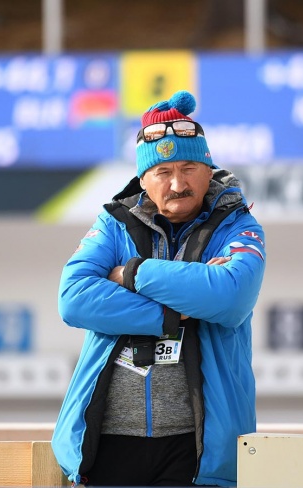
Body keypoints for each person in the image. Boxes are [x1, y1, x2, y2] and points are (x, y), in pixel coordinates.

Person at [51, 90, 266, 487]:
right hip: (106, 444)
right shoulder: (114, 223)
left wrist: (131, 273)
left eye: (188, 167)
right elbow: (74, 298)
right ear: (144, 179)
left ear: (208, 168)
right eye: (163, 172)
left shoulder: (238, 224)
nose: (177, 183)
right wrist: (173, 312)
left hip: (200, 451)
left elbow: (230, 297)